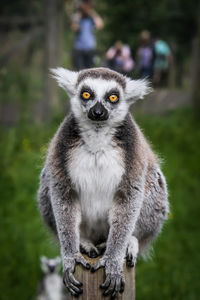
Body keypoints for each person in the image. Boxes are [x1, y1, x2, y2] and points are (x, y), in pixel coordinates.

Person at [71, 0, 104, 70]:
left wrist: (91, 12)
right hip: (79, 49)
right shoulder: (76, 17)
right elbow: (74, 28)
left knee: (90, 71)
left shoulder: (92, 19)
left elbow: (100, 24)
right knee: (77, 71)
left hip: (90, 49)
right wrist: (79, 14)